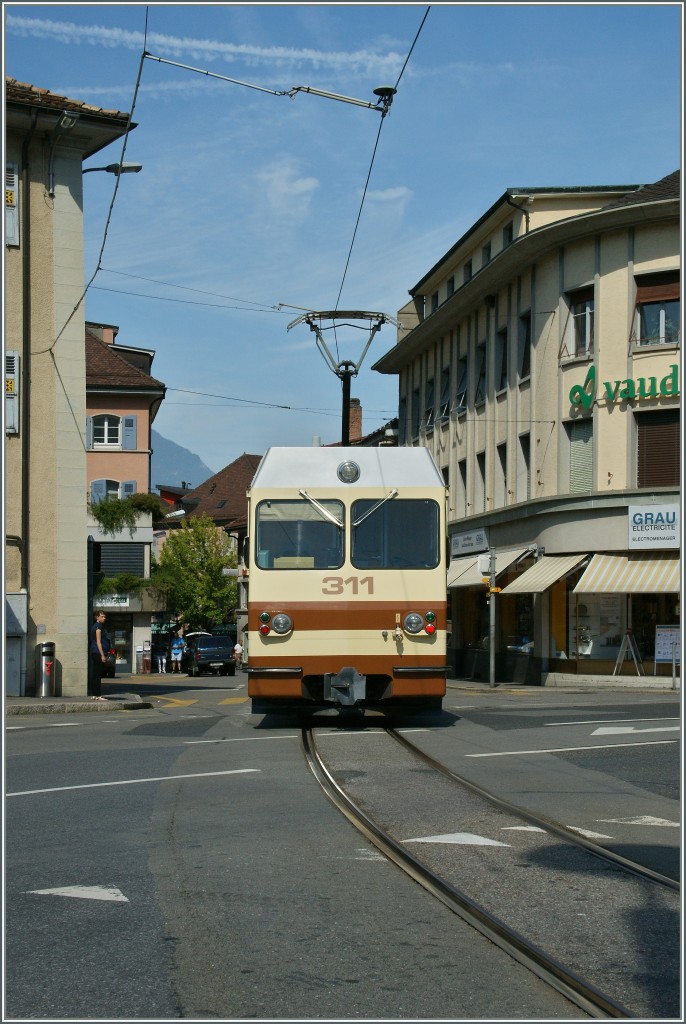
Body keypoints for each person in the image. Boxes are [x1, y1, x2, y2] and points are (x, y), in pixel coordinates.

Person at [89, 611, 110, 700]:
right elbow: (98, 642)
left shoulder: (96, 626)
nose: (104, 618)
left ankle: (95, 694)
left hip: (95, 652)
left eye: (104, 616)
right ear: (97, 617)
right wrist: (102, 655)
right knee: (98, 675)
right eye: (102, 616)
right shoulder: (98, 628)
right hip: (98, 653)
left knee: (96, 674)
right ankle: (98, 695)